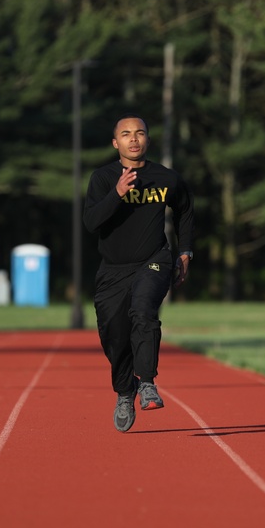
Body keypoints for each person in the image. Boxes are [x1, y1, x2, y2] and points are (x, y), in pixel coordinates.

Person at [83, 114, 195, 432]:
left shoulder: (166, 178)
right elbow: (91, 222)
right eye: (126, 134)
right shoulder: (103, 178)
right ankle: (125, 391)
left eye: (140, 133)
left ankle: (146, 381)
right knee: (114, 336)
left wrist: (185, 251)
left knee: (144, 310)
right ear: (115, 143)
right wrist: (117, 193)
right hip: (113, 269)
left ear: (147, 140)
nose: (134, 138)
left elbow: (185, 208)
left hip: (154, 260)